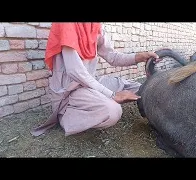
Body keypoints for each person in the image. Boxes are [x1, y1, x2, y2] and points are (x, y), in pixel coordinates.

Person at [31, 23, 159, 137]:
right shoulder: (66, 25)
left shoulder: (95, 26)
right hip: (69, 90)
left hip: (89, 82)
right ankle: (66, 116)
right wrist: (112, 95)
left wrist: (139, 57)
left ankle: (94, 102)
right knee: (113, 111)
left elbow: (112, 57)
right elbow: (75, 72)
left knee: (139, 87)